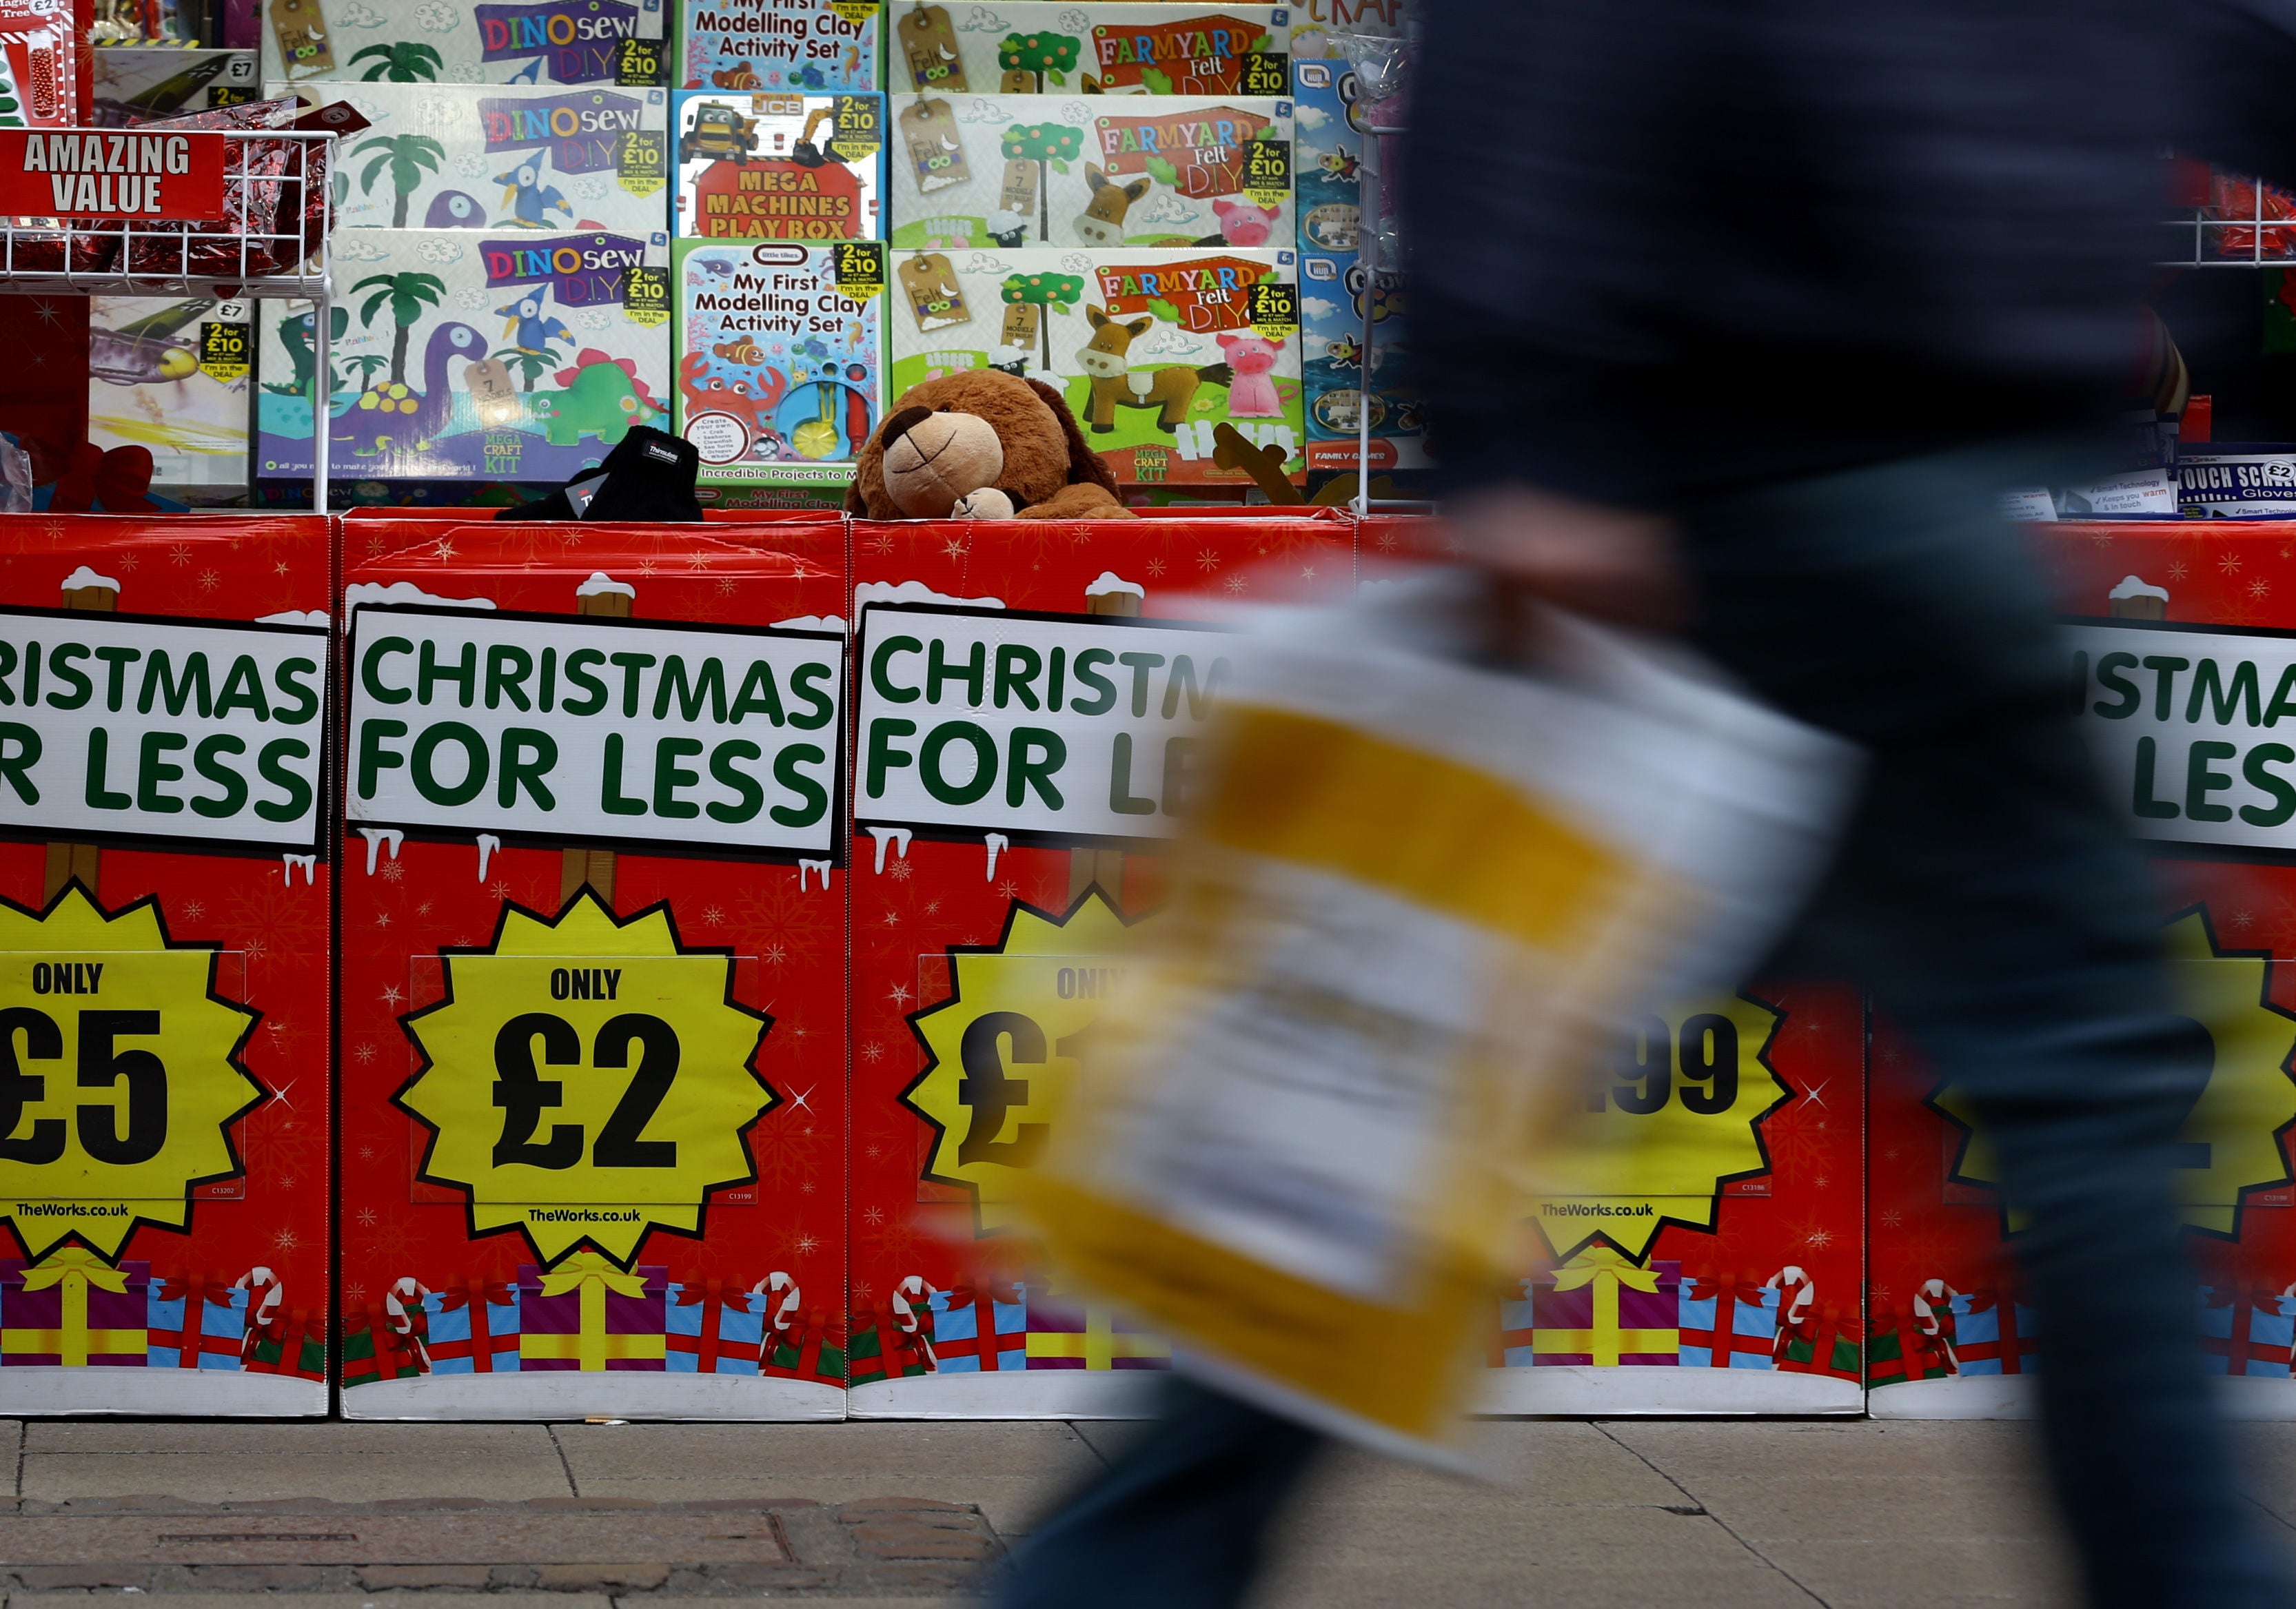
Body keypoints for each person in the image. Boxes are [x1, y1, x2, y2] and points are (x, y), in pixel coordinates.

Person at [994, 3, 2296, 1605]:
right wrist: (1525, 425)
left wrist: (1520, 419)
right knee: (2088, 1097)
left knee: (1411, 1084)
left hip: (1759, 494)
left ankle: (1114, 1568)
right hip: (1831, 509)